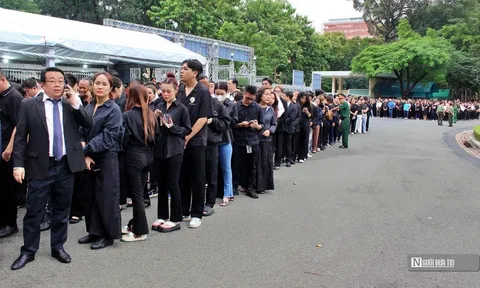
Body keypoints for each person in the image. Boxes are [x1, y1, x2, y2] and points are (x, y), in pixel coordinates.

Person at [10, 67, 92, 270]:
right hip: (40, 164)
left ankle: (58, 247)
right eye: (52, 81)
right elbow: (20, 138)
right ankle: (28, 250)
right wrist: (18, 165)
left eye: (61, 80)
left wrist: (75, 103)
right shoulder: (29, 105)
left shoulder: (70, 104)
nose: (57, 84)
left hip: (66, 164)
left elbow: (88, 123)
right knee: (34, 210)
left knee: (61, 210)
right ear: (43, 84)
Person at [78, 72, 123, 250]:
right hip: (88, 156)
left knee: (106, 197)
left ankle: (107, 235)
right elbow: (80, 129)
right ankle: (93, 231)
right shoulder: (89, 107)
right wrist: (84, 153)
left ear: (110, 88)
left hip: (106, 157)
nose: (100, 87)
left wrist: (85, 150)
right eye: (97, 83)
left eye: (104, 84)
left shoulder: (114, 110)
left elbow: (109, 136)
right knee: (89, 196)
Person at [152, 73, 191, 233]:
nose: (165, 94)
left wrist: (171, 126)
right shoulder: (158, 105)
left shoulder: (181, 108)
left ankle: (175, 218)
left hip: (174, 149)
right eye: (163, 91)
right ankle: (162, 215)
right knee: (161, 184)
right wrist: (154, 119)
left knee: (173, 183)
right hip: (159, 148)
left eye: (168, 91)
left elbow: (186, 130)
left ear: (176, 90)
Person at [177, 59, 214, 228]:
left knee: (198, 177)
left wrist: (188, 136)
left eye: (185, 69)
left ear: (195, 72)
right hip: (179, 141)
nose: (181, 71)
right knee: (182, 176)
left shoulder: (203, 91)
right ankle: (184, 209)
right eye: (181, 68)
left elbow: (203, 118)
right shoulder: (179, 90)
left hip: (196, 141)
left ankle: (197, 213)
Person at [120, 85, 156, 242]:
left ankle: (140, 231)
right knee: (139, 193)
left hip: (133, 157)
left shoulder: (127, 115)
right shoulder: (151, 114)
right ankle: (133, 224)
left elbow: (123, 139)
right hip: (148, 156)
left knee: (137, 196)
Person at [0, 69, 24, 239]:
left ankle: (11, 223)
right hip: (1, 148)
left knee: (8, 190)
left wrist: (9, 149)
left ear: (2, 79)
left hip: (8, 152)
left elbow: (19, 126)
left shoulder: (14, 98)